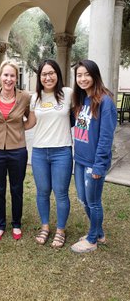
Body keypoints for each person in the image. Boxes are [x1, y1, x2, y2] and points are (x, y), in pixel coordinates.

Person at [24, 59, 73, 248]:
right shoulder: (35, 97)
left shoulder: (68, 94)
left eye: (51, 73)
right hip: (39, 152)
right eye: (44, 74)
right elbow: (30, 123)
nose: (48, 77)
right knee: (42, 192)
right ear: (40, 77)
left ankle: (60, 230)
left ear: (58, 74)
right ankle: (45, 226)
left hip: (62, 151)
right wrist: (9, 123)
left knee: (61, 193)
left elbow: (80, 112)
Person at [70, 59, 117, 253]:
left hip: (94, 163)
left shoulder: (105, 101)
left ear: (95, 75)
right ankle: (98, 232)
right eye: (79, 75)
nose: (82, 79)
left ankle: (92, 239)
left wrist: (99, 166)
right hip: (79, 159)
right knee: (83, 199)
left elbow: (106, 137)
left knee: (94, 202)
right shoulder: (81, 100)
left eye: (86, 74)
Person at [0, 60, 30, 242]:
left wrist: (19, 130)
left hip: (17, 150)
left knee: (16, 188)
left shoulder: (25, 97)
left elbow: (31, 119)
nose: (9, 79)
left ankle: (17, 223)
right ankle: (0, 224)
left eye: (12, 75)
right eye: (6, 75)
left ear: (16, 78)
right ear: (0, 76)